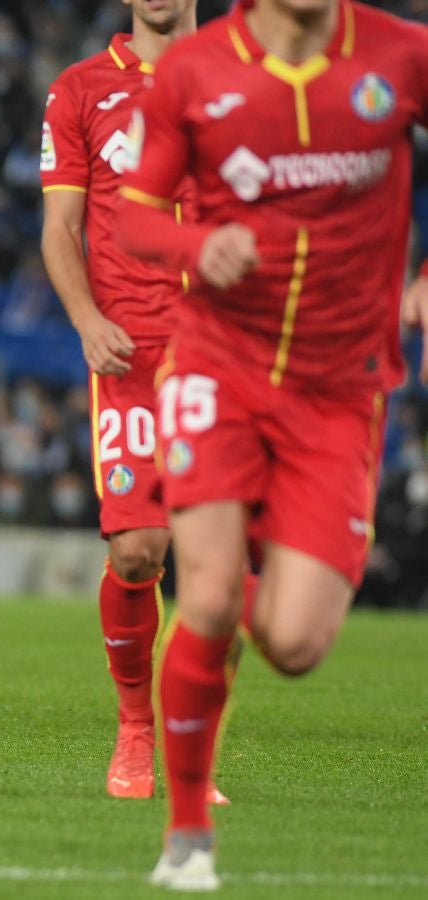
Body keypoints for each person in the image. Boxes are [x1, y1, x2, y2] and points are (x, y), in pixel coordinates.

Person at [117, 0, 428, 888]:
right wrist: (196, 239)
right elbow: (138, 218)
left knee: (294, 643)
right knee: (206, 597)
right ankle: (186, 840)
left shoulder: (402, 54)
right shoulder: (195, 69)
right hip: (219, 369)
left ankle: (256, 557)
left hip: (341, 391)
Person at [40, 0, 226, 803]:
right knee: (138, 551)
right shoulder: (80, 90)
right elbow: (61, 228)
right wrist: (86, 319)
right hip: (130, 352)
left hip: (224, 355)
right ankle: (135, 731)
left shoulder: (239, 77)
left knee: (215, 570)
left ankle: (192, 751)